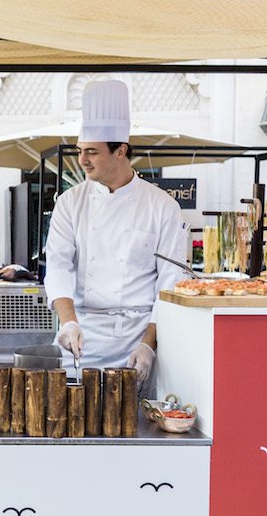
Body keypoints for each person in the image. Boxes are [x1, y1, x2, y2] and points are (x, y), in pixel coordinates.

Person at [43, 80, 186, 400]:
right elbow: (57, 268)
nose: (82, 160)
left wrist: (149, 345)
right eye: (81, 151)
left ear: (120, 149)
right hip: (80, 342)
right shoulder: (70, 203)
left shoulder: (163, 207)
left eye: (92, 152)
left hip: (136, 345)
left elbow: (171, 286)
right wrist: (67, 324)